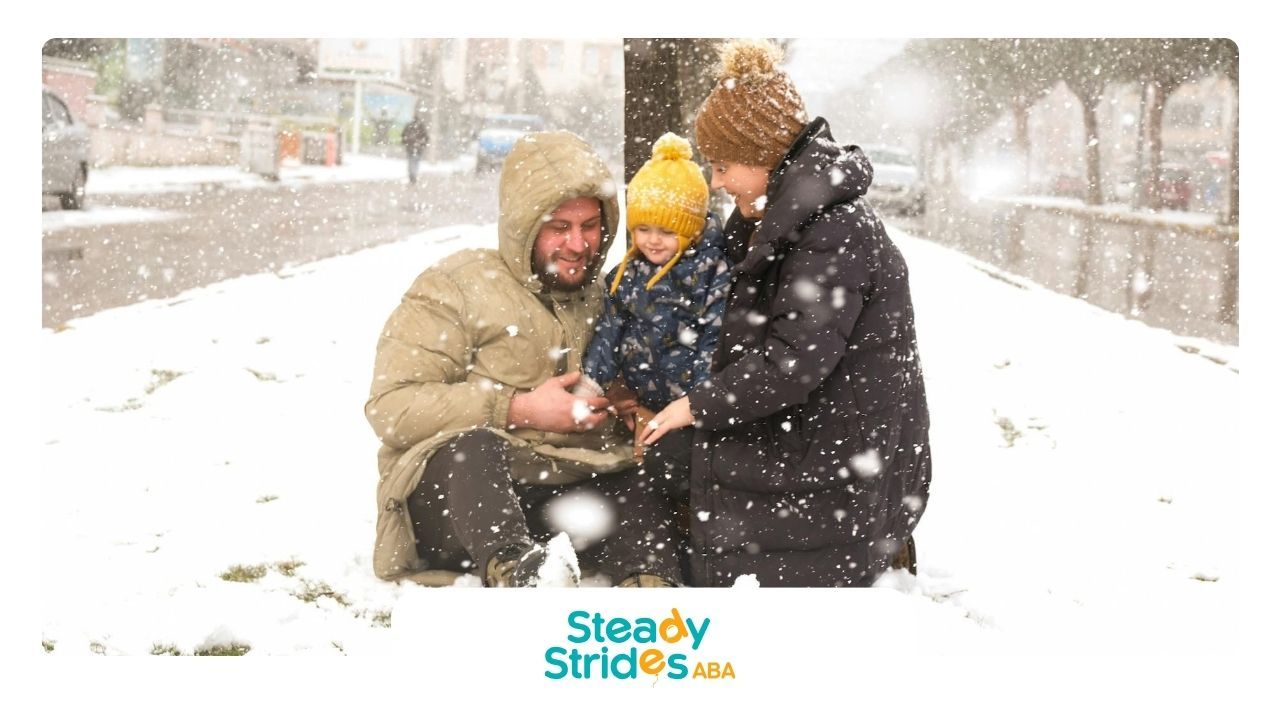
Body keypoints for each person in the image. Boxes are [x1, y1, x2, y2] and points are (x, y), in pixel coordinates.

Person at [640, 39, 933, 587]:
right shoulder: (790, 215)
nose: (717, 181)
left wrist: (694, 406)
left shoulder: (832, 230)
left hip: (835, 460)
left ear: (764, 156)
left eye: (723, 165)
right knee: (663, 461)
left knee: (668, 461)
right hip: (825, 438)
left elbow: (792, 363)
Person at [365, 130, 682, 588]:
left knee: (640, 483)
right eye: (559, 228)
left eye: (590, 226)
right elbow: (391, 408)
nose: (577, 244)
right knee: (472, 449)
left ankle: (653, 588)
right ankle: (518, 575)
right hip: (459, 505)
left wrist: (626, 402)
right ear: (524, 226)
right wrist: (518, 408)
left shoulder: (612, 297)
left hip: (566, 493)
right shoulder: (456, 285)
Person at [574, 132, 731, 564]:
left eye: (667, 230)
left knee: (674, 470)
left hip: (688, 408)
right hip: (642, 401)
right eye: (643, 228)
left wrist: (692, 402)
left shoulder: (712, 272)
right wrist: (592, 383)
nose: (653, 241)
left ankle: (686, 538)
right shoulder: (627, 273)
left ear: (693, 227)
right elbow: (609, 330)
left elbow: (712, 340)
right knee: (631, 472)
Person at [401, 113, 429, 185]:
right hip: (418, 148)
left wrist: (405, 142)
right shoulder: (421, 126)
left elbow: (403, 135)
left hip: (410, 147)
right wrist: (422, 144)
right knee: (416, 162)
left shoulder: (409, 126)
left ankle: (412, 176)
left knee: (411, 162)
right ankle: (414, 175)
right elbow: (426, 137)